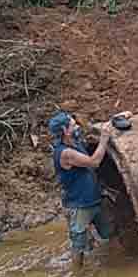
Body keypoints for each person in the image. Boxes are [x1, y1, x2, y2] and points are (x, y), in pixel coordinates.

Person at [48, 111, 113, 268]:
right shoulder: (65, 153)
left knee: (109, 233)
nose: (77, 126)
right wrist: (104, 139)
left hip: (94, 199)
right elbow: (94, 161)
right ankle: (78, 275)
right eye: (73, 125)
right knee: (79, 246)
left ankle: (108, 261)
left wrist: (117, 118)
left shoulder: (74, 142)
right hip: (79, 205)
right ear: (65, 130)